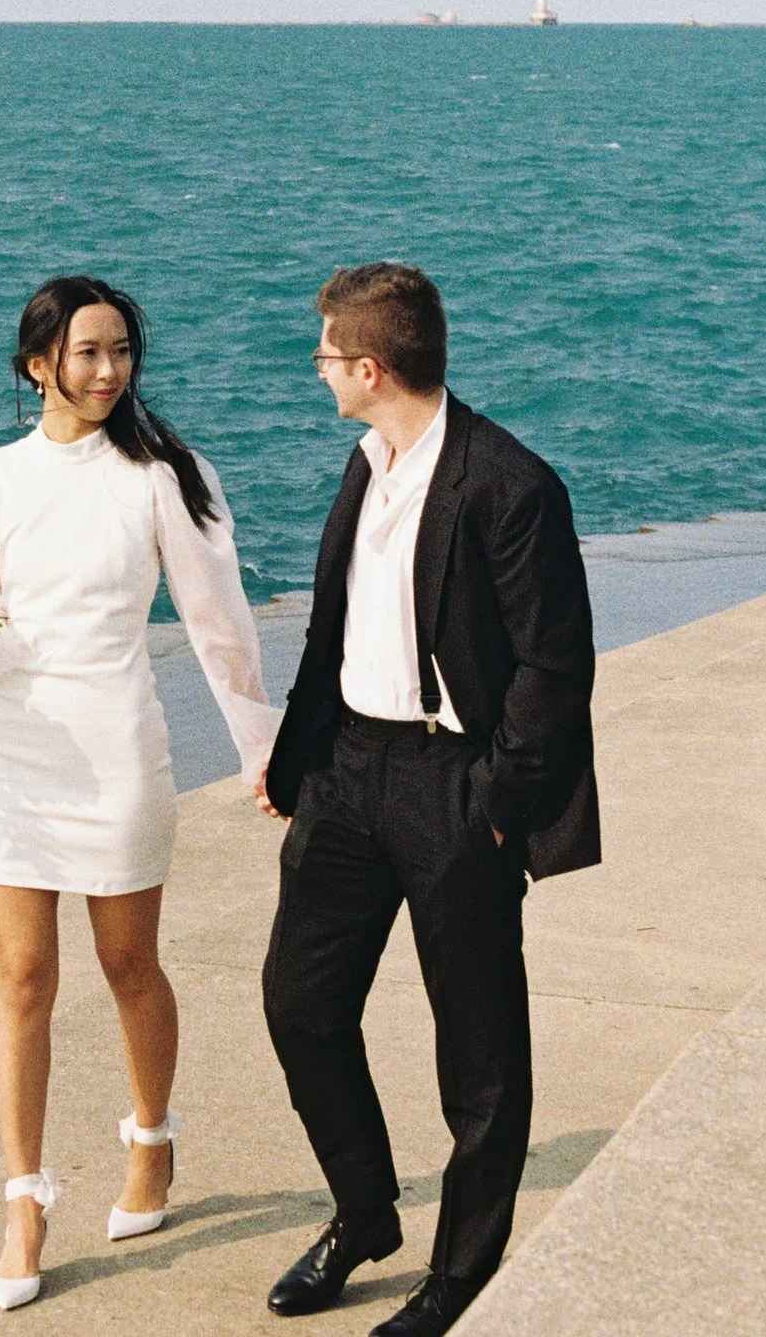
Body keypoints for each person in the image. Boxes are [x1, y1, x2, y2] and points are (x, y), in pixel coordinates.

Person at [0, 275, 283, 1312]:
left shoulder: (160, 478)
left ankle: (151, 1140)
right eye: (87, 352)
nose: (109, 370)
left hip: (118, 750)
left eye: (121, 350)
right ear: (38, 365)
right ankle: (24, 1202)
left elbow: (218, 623)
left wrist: (263, 748)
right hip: (18, 753)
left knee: (127, 965)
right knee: (22, 978)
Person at [255, 262, 600, 1337]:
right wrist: (298, 762)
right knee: (300, 1003)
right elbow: (339, 629)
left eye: (324, 354)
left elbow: (555, 667)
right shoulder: (368, 462)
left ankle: (458, 1274)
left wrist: (492, 802)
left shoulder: (509, 484)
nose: (315, 369)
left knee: (479, 1056)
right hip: (348, 772)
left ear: (370, 367)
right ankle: (365, 1214)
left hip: (453, 785)